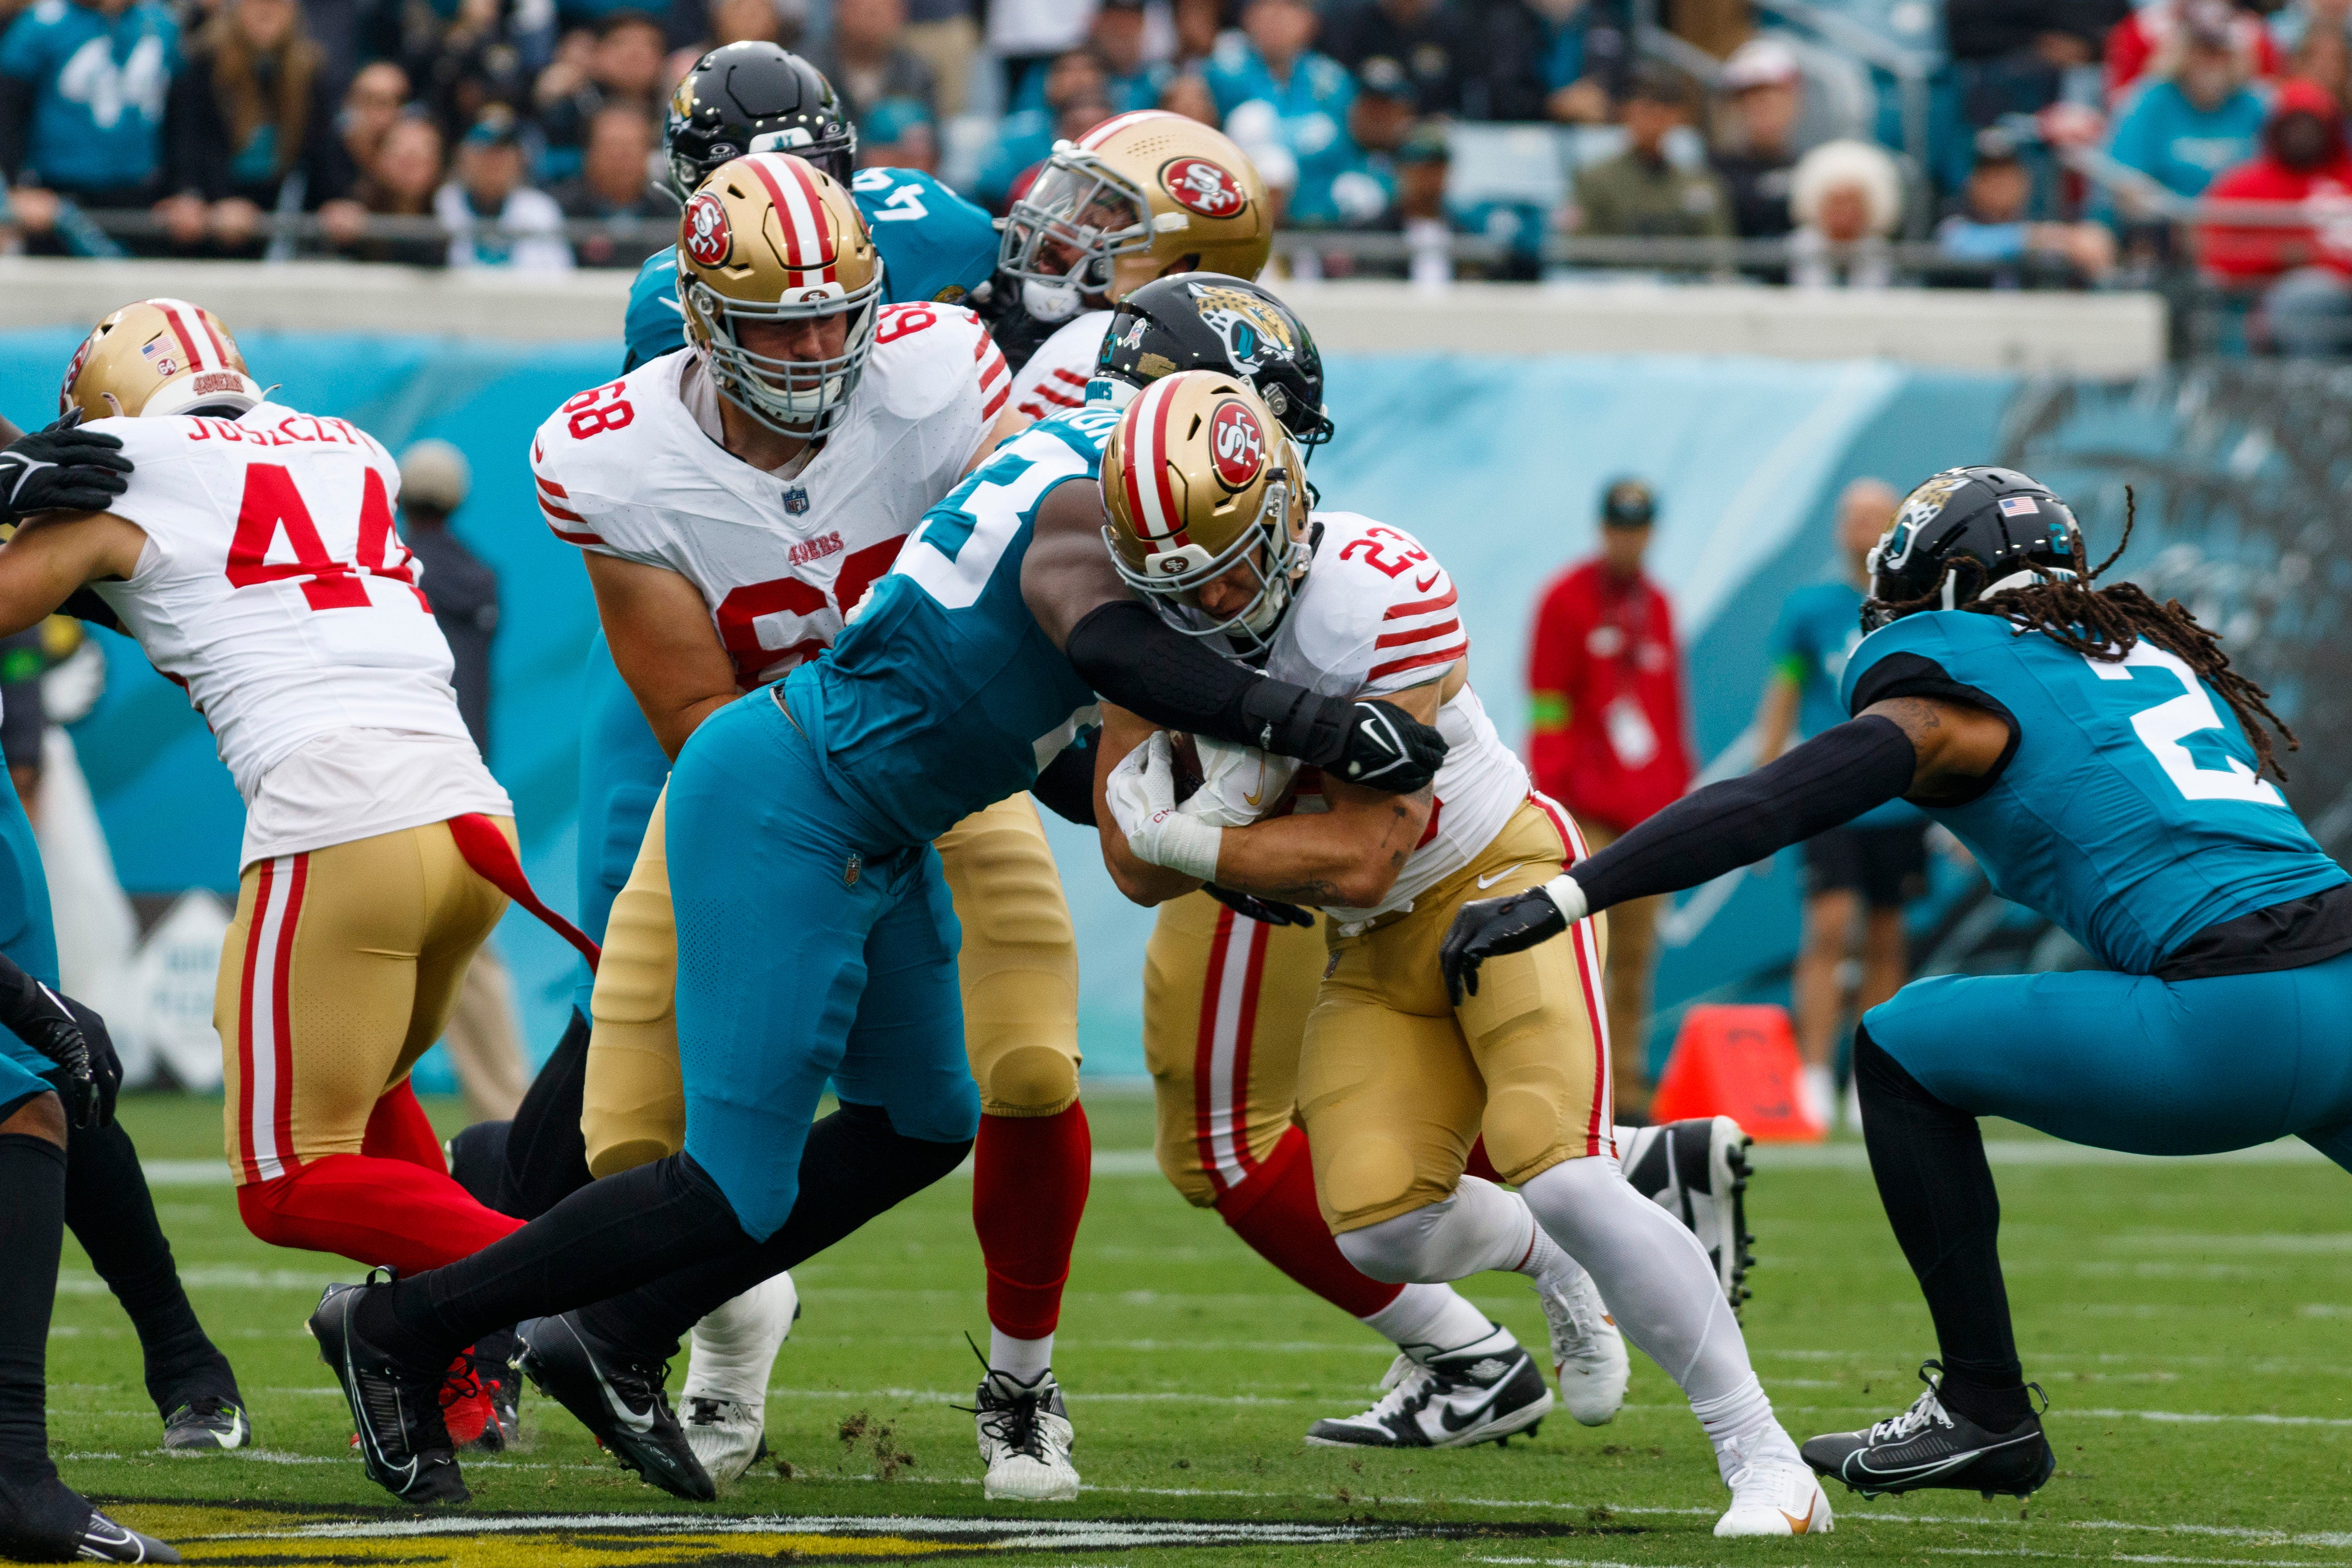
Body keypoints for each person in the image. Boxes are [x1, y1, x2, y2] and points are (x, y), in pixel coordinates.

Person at [306, 250, 1448, 1513]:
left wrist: (1219, 823)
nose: (1261, 479)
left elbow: (1049, 745)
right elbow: (1107, 636)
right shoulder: (1090, 494)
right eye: (1256, 438)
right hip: (790, 797)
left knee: (922, 1120)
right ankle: (402, 1328)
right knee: (730, 1178)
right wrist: (1314, 725)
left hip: (873, 809)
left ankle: (615, 1331)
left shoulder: (1087, 468)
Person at [1443, 463, 2352, 1503]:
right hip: (2342, 986)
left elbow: (1767, 802)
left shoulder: (1955, 694)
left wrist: (1567, 894)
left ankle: (1982, 1405)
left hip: (2229, 1020)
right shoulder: (2143, 652)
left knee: (1901, 1040)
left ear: (1950, 586)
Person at [1092, 369, 1829, 1537]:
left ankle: (1765, 1457)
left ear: (1283, 507)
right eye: (1180, 583)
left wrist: (1189, 829)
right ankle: (1556, 1259)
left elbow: (1365, 853)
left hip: (1498, 886)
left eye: (1232, 561)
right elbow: (1137, 874)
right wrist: (1162, 819)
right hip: (1375, 950)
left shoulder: (1375, 591)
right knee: (1381, 1223)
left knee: (1567, 1165)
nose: (1218, 598)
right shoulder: (1161, 626)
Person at [6, 299, 597, 1456]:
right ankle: (460, 1384)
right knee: (367, 1087)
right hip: (469, 818)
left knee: (284, 1180)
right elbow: (199, 570)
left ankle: (568, 1292)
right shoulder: (345, 449)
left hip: (338, 816)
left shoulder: (135, 460)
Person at [1753, 480, 1925, 1131]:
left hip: (1899, 800)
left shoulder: (1914, 608)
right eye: (1854, 518)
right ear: (1838, 528)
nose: (1863, 529)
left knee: (1886, 939)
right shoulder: (1809, 610)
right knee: (1829, 929)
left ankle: (1867, 1073)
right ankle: (1811, 1072)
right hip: (1829, 797)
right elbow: (1781, 702)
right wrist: (1762, 799)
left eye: (1876, 519)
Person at [1524, 478, 1691, 1122]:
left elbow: (1669, 710)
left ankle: (1623, 1088)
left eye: (1640, 527)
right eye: (1620, 527)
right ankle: (1572, 1085)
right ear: (1604, 528)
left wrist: (1677, 787)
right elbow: (1547, 705)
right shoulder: (1564, 600)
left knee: (1634, 957)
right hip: (1586, 810)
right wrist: (1557, 801)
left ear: (1651, 532)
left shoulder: (1659, 605)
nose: (1630, 539)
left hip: (1650, 810)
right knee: (1582, 953)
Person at [395, 439, 531, 1134]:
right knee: (472, 947)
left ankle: (346, 1115)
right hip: (464, 778)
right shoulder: (482, 579)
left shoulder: (384, 574)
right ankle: (511, 1113)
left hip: (388, 779)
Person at [996, 109, 1273, 424]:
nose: (1058, 232)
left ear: (1172, 270)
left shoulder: (1093, 352)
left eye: (1093, 223)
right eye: (1071, 206)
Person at [158, 0, 364, 257]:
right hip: (213, 208)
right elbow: (186, 140)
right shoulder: (202, 64)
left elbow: (322, 147)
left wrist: (337, 199)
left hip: (273, 203)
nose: (266, 10)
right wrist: (193, 194)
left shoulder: (308, 70)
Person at [0, 0, 180, 253]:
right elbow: (10, 110)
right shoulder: (42, 22)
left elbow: (181, 114)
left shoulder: (160, 22)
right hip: (55, 195)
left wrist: (184, 189)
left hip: (143, 195)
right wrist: (15, 187)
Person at [2198, 80, 2352, 357]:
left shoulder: (2347, 177)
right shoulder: (2243, 185)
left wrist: (2316, 256)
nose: (2302, 134)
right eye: (2293, 123)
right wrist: (2279, 253)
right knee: (2306, 298)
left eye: (2312, 123)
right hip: (2268, 304)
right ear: (2276, 129)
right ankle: (2315, 391)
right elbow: (2215, 255)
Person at [2103, 0, 2268, 205]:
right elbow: (2125, 178)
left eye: (2220, 54)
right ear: (2181, 53)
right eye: (2201, 52)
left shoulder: (2255, 105)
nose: (2210, 64)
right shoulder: (2151, 101)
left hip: (2237, 228)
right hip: (2165, 230)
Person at [1568, 65, 1732, 242]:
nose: (1653, 120)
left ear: (1678, 116)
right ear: (1626, 112)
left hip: (1681, 270)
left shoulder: (1700, 184)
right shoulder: (1594, 180)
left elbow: (1718, 253)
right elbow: (1578, 250)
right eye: (1645, 109)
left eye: (1663, 110)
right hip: (1617, 270)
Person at [1936, 127, 2115, 286]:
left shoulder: (2040, 215)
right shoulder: (1955, 217)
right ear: (1973, 182)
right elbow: (1961, 244)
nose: (1998, 184)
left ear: (2024, 180)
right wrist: (2051, 238)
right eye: (1989, 176)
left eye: (2006, 174)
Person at [436, 105, 574, 269]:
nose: (494, 161)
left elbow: (560, 277)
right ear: (464, 155)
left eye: (503, 151)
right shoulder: (442, 204)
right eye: (485, 150)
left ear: (519, 159)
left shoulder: (540, 210)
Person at [549, 102, 673, 267]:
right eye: (610, 149)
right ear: (589, 152)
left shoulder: (672, 214)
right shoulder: (555, 212)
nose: (620, 161)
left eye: (629, 150)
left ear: (648, 154)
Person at [1710, 37, 1804, 240]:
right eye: (1749, 97)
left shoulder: (1813, 170)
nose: (1761, 105)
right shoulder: (1711, 171)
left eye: (1772, 95)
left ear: (1794, 101)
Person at [1788, 138, 1900, 290]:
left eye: (1852, 201)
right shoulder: (1798, 248)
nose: (1844, 211)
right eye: (1836, 201)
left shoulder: (1881, 252)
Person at [810, 0, 937, 125]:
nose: (871, 20)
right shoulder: (811, 72)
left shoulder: (915, 72)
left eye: (879, 11)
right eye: (861, 9)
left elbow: (932, 132)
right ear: (839, 10)